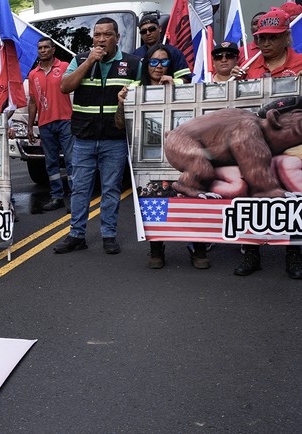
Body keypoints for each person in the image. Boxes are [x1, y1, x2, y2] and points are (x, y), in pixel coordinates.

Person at [56, 17, 141, 255]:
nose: (101, 39)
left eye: (107, 34)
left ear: (117, 37)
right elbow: (65, 87)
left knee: (111, 189)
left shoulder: (133, 63)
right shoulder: (80, 59)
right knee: (80, 189)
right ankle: (76, 234)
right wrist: (89, 62)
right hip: (83, 138)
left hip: (114, 139)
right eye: (97, 35)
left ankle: (109, 234)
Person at [226, 15, 302, 279]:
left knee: (292, 195)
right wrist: (233, 83)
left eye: (273, 37)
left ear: (286, 37)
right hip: (255, 145)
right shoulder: (248, 66)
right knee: (249, 194)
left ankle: (294, 254)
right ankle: (251, 253)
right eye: (261, 38)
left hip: (292, 143)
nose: (265, 43)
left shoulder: (301, 64)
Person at [122, 46, 210, 269]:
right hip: (150, 156)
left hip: (183, 156)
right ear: (146, 64)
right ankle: (156, 249)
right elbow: (120, 124)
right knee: (153, 204)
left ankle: (197, 247)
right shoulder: (134, 88)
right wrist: (121, 104)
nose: (158, 67)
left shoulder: (182, 85)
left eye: (163, 62)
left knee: (191, 201)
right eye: (153, 62)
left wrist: (176, 92)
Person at [27, 37, 74, 212]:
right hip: (45, 123)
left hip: (65, 120)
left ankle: (75, 198)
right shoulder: (33, 74)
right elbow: (32, 102)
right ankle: (57, 197)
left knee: (70, 161)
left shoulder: (65, 67)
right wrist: (31, 126)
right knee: (51, 163)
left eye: (46, 47)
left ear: (53, 49)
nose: (43, 50)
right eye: (40, 48)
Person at [234, 9, 302, 79]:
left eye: (273, 38)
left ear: (287, 36)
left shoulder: (300, 62)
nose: (266, 44)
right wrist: (234, 80)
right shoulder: (247, 65)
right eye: (262, 38)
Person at [133, 15, 192, 83]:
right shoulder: (135, 55)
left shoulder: (175, 53)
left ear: (160, 28)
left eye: (152, 29)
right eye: (143, 31)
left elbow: (186, 79)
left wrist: (171, 82)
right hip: (142, 93)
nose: (148, 33)